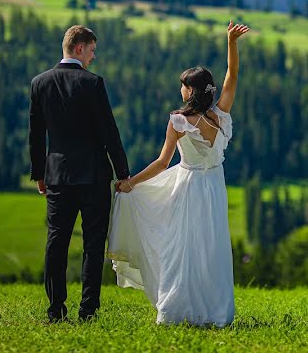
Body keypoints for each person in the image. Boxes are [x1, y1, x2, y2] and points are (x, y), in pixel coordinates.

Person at [107, 20, 250, 327]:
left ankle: (177, 309)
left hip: (187, 186)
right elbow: (232, 76)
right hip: (214, 186)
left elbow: (162, 163)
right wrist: (231, 42)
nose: (180, 88)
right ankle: (215, 311)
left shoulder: (179, 121)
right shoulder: (221, 115)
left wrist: (131, 183)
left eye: (183, 84)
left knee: (181, 245)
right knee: (211, 246)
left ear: (190, 90)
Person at [29, 25, 131, 323]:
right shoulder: (92, 84)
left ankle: (55, 309)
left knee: (56, 241)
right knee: (93, 242)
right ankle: (87, 310)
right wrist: (122, 172)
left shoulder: (39, 83)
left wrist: (39, 172)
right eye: (91, 50)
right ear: (78, 49)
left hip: (57, 175)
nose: (93, 57)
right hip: (93, 175)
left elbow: (36, 135)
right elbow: (109, 132)